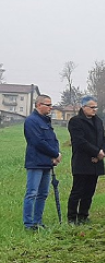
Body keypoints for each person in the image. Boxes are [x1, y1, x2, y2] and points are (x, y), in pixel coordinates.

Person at [67, 95, 105, 225]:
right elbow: (80, 141)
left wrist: (101, 153)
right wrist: (96, 152)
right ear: (83, 107)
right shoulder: (76, 121)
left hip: (96, 162)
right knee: (78, 191)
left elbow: (103, 139)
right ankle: (72, 217)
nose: (94, 110)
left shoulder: (98, 121)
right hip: (82, 162)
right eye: (92, 107)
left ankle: (84, 216)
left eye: (96, 107)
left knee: (89, 191)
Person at [23, 94, 62, 231]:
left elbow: (53, 140)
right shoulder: (31, 121)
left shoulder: (46, 121)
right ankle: (28, 224)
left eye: (51, 105)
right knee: (32, 193)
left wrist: (56, 155)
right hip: (35, 162)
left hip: (47, 162)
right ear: (39, 105)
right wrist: (54, 154)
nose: (50, 107)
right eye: (48, 105)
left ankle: (37, 222)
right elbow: (38, 142)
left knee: (43, 194)